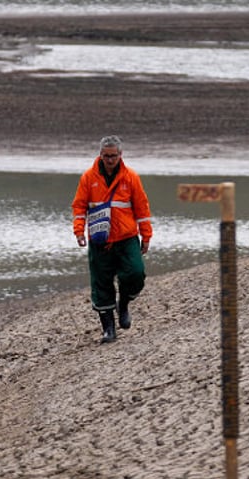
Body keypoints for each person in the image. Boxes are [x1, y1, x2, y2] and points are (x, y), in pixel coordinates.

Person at [72, 135, 153, 344]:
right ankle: (109, 329)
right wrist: (79, 231)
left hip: (126, 238)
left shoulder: (131, 177)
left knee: (136, 273)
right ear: (100, 155)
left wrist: (146, 235)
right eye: (106, 156)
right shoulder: (88, 178)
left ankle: (123, 303)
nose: (110, 160)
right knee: (101, 284)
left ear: (120, 155)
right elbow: (79, 206)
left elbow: (142, 208)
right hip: (100, 240)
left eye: (113, 156)